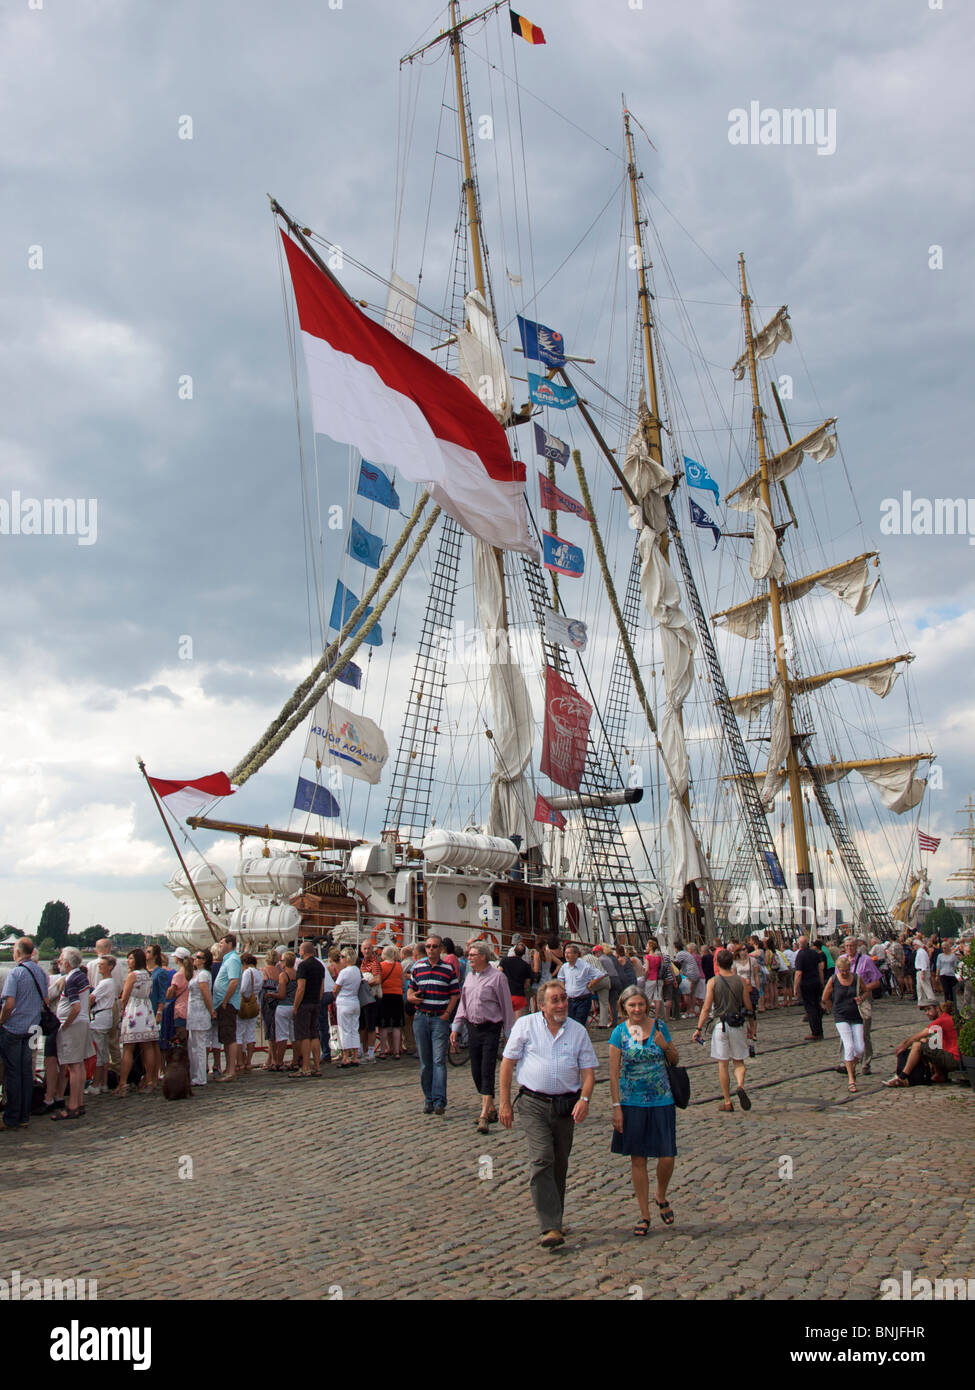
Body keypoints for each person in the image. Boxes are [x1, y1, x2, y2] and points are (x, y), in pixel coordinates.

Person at [498, 980, 598, 1249]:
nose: (562, 1003)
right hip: (532, 1103)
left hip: (565, 1105)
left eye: (564, 998)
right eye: (555, 1000)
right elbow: (507, 1064)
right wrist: (504, 1102)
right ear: (541, 1006)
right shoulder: (526, 1026)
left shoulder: (577, 1031)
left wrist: (585, 1100)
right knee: (542, 1157)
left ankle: (556, 1216)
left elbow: (588, 1072)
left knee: (559, 1162)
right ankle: (550, 1226)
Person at [609, 985, 679, 1234]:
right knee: (638, 1159)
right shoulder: (619, 1033)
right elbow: (614, 1074)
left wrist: (664, 1046)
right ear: (624, 1008)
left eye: (640, 1004)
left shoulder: (659, 1027)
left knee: (667, 1156)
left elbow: (675, 1059)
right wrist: (617, 1107)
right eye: (632, 1005)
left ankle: (660, 1194)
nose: (637, 1009)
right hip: (632, 1102)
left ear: (647, 1005)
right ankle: (644, 1214)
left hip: (662, 1100)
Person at [450, 941, 514, 1133]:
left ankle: (484, 1114)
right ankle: (491, 1107)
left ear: (483, 957)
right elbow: (464, 1003)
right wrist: (456, 1027)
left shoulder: (498, 978)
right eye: (468, 954)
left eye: (472, 955)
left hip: (491, 1028)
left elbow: (506, 1007)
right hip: (473, 1027)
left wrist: (510, 1035)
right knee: (476, 1071)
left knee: (487, 1069)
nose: (469, 957)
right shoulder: (469, 977)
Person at [693, 948, 751, 1113]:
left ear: (717, 964)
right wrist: (752, 1027)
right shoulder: (741, 981)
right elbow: (748, 1007)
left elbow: (705, 1008)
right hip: (737, 1024)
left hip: (720, 1025)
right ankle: (740, 1085)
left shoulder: (712, 982)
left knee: (722, 1064)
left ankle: (727, 1101)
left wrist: (698, 1028)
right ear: (731, 963)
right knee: (739, 1061)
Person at [408, 934, 460, 1115]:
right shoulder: (417, 967)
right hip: (421, 1017)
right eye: (428, 946)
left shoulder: (448, 969)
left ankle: (439, 1101)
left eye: (435, 946)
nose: (431, 949)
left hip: (439, 1019)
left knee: (439, 1060)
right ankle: (428, 1098)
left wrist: (447, 1014)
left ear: (440, 949)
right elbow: (410, 988)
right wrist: (410, 997)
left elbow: (455, 993)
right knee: (425, 1062)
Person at [0, 937, 49, 1131]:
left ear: (19, 952)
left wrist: (2, 1020)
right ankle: (24, 1115)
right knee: (26, 1071)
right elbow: (45, 999)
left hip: (14, 1028)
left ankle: (11, 1117)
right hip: (33, 1028)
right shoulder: (41, 973)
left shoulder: (16, 973)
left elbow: (9, 1004)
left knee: (12, 1073)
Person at [115, 949, 159, 1097]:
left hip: (134, 1010)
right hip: (146, 1009)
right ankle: (151, 1079)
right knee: (148, 1047)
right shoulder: (148, 974)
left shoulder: (132, 976)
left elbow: (125, 996)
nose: (129, 961)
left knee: (128, 1048)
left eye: (131, 959)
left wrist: (120, 1010)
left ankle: (123, 1083)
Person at [884, 1003, 960, 1086]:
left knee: (918, 1045)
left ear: (937, 1009)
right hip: (956, 1057)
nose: (927, 1013)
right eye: (925, 1010)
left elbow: (918, 1036)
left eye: (929, 1009)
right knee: (925, 1042)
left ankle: (903, 1077)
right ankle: (939, 1075)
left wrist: (904, 1045)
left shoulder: (942, 1020)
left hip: (954, 1059)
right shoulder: (947, 1018)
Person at [822, 954, 865, 1092]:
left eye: (847, 970)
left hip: (856, 1015)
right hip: (841, 1016)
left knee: (860, 1048)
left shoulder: (857, 978)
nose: (845, 973)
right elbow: (825, 997)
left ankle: (850, 1067)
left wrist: (861, 998)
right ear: (838, 969)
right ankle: (851, 1079)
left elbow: (866, 991)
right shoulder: (833, 980)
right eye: (842, 971)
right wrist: (832, 1008)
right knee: (849, 1045)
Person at [86, 938, 127, 1073]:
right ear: (109, 948)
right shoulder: (118, 964)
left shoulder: (91, 964)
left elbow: (89, 985)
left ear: (96, 949)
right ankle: (115, 1069)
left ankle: (97, 1073)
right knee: (113, 1039)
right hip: (113, 1002)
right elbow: (120, 985)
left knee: (98, 1042)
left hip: (96, 1005)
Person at [290, 942, 325, 1077]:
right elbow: (321, 988)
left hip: (304, 1003)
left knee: (304, 1035)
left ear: (303, 952)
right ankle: (316, 1066)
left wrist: (295, 1006)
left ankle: (305, 1067)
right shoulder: (320, 965)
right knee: (314, 1034)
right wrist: (318, 1000)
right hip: (315, 1002)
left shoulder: (303, 966)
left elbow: (301, 988)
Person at [212, 932, 243, 1081]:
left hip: (228, 1004)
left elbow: (234, 982)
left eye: (222, 943)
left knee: (229, 1037)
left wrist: (225, 1000)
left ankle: (231, 1070)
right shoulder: (227, 960)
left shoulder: (233, 960)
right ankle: (228, 1068)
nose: (220, 945)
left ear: (230, 944)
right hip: (223, 1003)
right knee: (225, 1036)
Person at [88, 955, 119, 1095]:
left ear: (110, 967)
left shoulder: (105, 983)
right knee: (104, 1051)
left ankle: (96, 1084)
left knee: (98, 1052)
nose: (99, 967)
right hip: (106, 1017)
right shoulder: (111, 983)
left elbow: (91, 998)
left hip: (100, 1019)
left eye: (102, 964)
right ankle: (104, 1082)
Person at [556, 943, 603, 1027]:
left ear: (576, 955)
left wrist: (591, 984)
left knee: (578, 1024)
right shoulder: (564, 967)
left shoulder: (584, 966)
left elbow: (600, 975)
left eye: (569, 953)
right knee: (569, 1023)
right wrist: (564, 990)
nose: (566, 955)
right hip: (570, 1000)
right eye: (565, 953)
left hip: (583, 1000)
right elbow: (560, 979)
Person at [186, 950, 215, 1087]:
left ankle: (201, 1076)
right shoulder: (197, 973)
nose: (195, 959)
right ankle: (195, 1073)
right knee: (194, 1045)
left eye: (198, 957)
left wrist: (211, 1010)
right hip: (193, 1011)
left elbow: (206, 993)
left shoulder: (203, 974)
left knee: (200, 1045)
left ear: (204, 960)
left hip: (200, 1011)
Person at [332, 948, 363, 1068]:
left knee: (344, 1030)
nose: (340, 959)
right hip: (355, 1001)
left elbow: (336, 988)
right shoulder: (357, 970)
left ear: (347, 958)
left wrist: (335, 995)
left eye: (342, 957)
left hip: (344, 1002)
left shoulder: (344, 972)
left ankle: (345, 1057)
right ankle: (355, 1056)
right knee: (354, 1029)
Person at [793, 935, 825, 1040]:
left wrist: (795, 987)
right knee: (816, 1006)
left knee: (810, 1009)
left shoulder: (800, 955)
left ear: (799, 944)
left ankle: (815, 1032)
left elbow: (798, 973)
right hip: (816, 982)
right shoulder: (814, 953)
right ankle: (819, 1030)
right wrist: (821, 981)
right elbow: (820, 968)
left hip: (806, 984)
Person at [376, 946, 404, 1059]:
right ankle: (397, 1051)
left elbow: (378, 980)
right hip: (397, 996)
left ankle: (383, 1051)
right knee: (397, 1026)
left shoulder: (381, 966)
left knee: (384, 1026)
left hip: (385, 995)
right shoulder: (399, 966)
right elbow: (402, 981)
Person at [236, 953, 262, 1071]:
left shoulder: (247, 972)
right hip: (254, 1003)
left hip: (244, 1004)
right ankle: (248, 1061)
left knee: (239, 1033)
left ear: (244, 963)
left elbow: (243, 989)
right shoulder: (259, 972)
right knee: (250, 1033)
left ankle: (240, 1062)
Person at [273, 951, 299, 1069]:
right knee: (294, 1036)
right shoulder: (297, 974)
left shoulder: (283, 975)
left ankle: (279, 1062)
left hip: (283, 1006)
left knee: (282, 1035)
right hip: (294, 1006)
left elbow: (282, 994)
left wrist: (271, 995)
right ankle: (295, 1061)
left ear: (285, 962)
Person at [358, 942, 382, 1063]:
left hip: (372, 998)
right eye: (365, 949)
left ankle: (371, 1052)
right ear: (361, 950)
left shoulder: (375, 963)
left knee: (371, 1026)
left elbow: (377, 979)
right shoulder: (362, 963)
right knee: (362, 1025)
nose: (367, 951)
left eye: (369, 948)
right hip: (363, 998)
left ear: (372, 950)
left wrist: (365, 984)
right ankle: (362, 1050)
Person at [499, 941, 534, 1020]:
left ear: (514, 950)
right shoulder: (526, 966)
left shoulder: (504, 961)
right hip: (519, 996)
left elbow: (498, 974)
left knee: (506, 1023)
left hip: (506, 995)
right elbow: (527, 984)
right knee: (519, 1024)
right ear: (524, 953)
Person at [260, 949, 282, 1070]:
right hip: (278, 1001)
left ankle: (273, 1059)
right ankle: (271, 1059)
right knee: (276, 1030)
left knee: (269, 1031)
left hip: (267, 1002)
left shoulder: (264, 971)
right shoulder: (279, 971)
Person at [165, 947, 191, 1045]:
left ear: (177, 959)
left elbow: (169, 995)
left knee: (180, 1039)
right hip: (190, 1009)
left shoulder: (178, 975)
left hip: (180, 1010)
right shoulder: (192, 973)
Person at [914, 937, 936, 1005]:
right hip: (919, 971)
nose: (914, 946)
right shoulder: (920, 952)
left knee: (926, 986)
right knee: (919, 987)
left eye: (914, 945)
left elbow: (924, 963)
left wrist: (923, 972)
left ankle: (931, 999)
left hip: (922, 970)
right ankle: (921, 1001)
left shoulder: (921, 952)